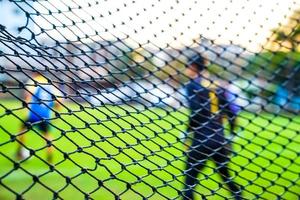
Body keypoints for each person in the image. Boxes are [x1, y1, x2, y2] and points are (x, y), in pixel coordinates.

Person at [182, 54, 242, 200]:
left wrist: (187, 131)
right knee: (225, 175)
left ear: (193, 66)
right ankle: (238, 196)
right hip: (219, 138)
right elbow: (231, 113)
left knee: (190, 179)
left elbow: (196, 111)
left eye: (188, 66)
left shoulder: (192, 86)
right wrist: (231, 133)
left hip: (201, 138)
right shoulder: (217, 86)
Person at [16, 72, 62, 163]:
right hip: (45, 115)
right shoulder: (50, 84)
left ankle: (19, 151)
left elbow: (27, 94)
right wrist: (57, 114)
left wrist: (26, 107)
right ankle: (50, 158)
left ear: (35, 74)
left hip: (33, 113)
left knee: (21, 131)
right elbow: (59, 101)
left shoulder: (34, 81)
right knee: (47, 136)